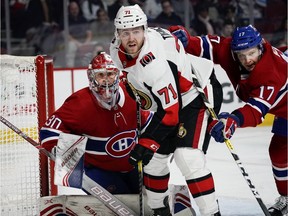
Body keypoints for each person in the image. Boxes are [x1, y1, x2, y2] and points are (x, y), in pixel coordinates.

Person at [110, 4, 223, 215]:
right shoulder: (115, 49)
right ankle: (160, 212)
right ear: (117, 34)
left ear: (144, 29)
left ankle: (212, 213)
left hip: (196, 95)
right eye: (125, 32)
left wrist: (146, 143)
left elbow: (171, 115)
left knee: (187, 157)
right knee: (152, 162)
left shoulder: (154, 64)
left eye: (136, 31)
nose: (131, 38)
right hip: (168, 100)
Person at [169, 24, 287, 216]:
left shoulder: (271, 73)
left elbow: (256, 110)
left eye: (251, 53)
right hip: (284, 108)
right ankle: (287, 198)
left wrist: (234, 120)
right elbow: (212, 46)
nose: (247, 60)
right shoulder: (232, 51)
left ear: (261, 47)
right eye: (242, 55)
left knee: (281, 151)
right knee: (279, 151)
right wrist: (188, 41)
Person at [39, 52, 152, 194]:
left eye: (110, 74)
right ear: (92, 77)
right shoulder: (79, 103)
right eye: (101, 75)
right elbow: (48, 133)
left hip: (134, 166)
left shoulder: (133, 95)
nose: (106, 80)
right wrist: (60, 152)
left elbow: (150, 122)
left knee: (154, 195)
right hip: (99, 171)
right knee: (122, 203)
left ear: (118, 75)